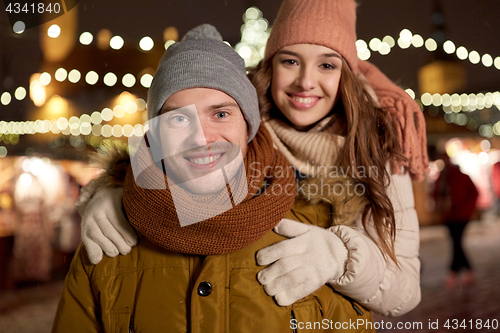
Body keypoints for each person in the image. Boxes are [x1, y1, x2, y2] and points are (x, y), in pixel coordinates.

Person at [78, 0, 428, 317]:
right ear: (269, 65)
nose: (306, 81)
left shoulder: (376, 147)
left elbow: (404, 292)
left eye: (327, 65)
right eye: (290, 61)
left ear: (346, 74)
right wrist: (114, 192)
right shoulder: (238, 119)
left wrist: (341, 256)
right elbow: (172, 144)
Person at [434, 153, 478, 289]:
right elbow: (436, 194)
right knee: (456, 242)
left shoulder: (461, 176)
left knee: (456, 242)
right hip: (449, 216)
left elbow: (474, 193)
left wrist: (465, 208)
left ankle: (454, 272)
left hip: (461, 216)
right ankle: (467, 270)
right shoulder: (442, 178)